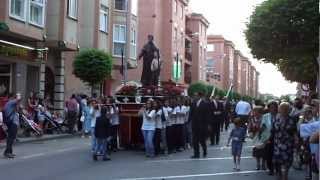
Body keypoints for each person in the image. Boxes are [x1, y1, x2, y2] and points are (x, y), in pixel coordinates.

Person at [273, 102, 297, 180]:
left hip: (287, 143)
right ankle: (279, 174)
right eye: (281, 108)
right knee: (277, 161)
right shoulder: (277, 118)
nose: (283, 110)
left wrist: (296, 140)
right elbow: (273, 129)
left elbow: (294, 131)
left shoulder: (292, 119)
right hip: (278, 143)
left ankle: (285, 175)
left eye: (285, 109)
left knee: (287, 161)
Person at [189, 92, 210, 159]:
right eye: (194, 96)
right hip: (195, 125)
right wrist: (190, 122)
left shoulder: (205, 104)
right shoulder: (193, 104)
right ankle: (196, 154)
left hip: (202, 126)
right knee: (195, 140)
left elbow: (207, 116)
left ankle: (204, 151)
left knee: (202, 140)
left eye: (196, 96)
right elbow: (191, 114)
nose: (194, 97)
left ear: (199, 96)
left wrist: (207, 125)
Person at [262, 101, 278, 175]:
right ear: (269, 108)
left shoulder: (279, 115)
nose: (273, 109)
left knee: (277, 153)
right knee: (269, 154)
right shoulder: (265, 116)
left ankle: (277, 168)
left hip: (277, 137)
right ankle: (270, 168)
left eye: (274, 107)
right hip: (268, 137)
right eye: (271, 107)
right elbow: (263, 127)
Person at [2, 93, 21, 158]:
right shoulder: (11, 102)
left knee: (10, 138)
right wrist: (18, 94)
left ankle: (9, 151)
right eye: (14, 97)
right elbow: (18, 99)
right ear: (12, 98)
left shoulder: (8, 104)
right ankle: (7, 152)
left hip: (10, 122)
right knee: (11, 138)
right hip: (12, 122)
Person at [250, 106, 265, 170]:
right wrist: (250, 132)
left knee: (264, 151)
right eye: (254, 111)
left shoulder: (264, 119)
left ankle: (263, 164)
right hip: (255, 137)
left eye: (255, 111)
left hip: (263, 136)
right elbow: (250, 127)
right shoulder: (252, 119)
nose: (254, 113)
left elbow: (266, 127)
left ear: (260, 112)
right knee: (256, 151)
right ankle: (258, 164)